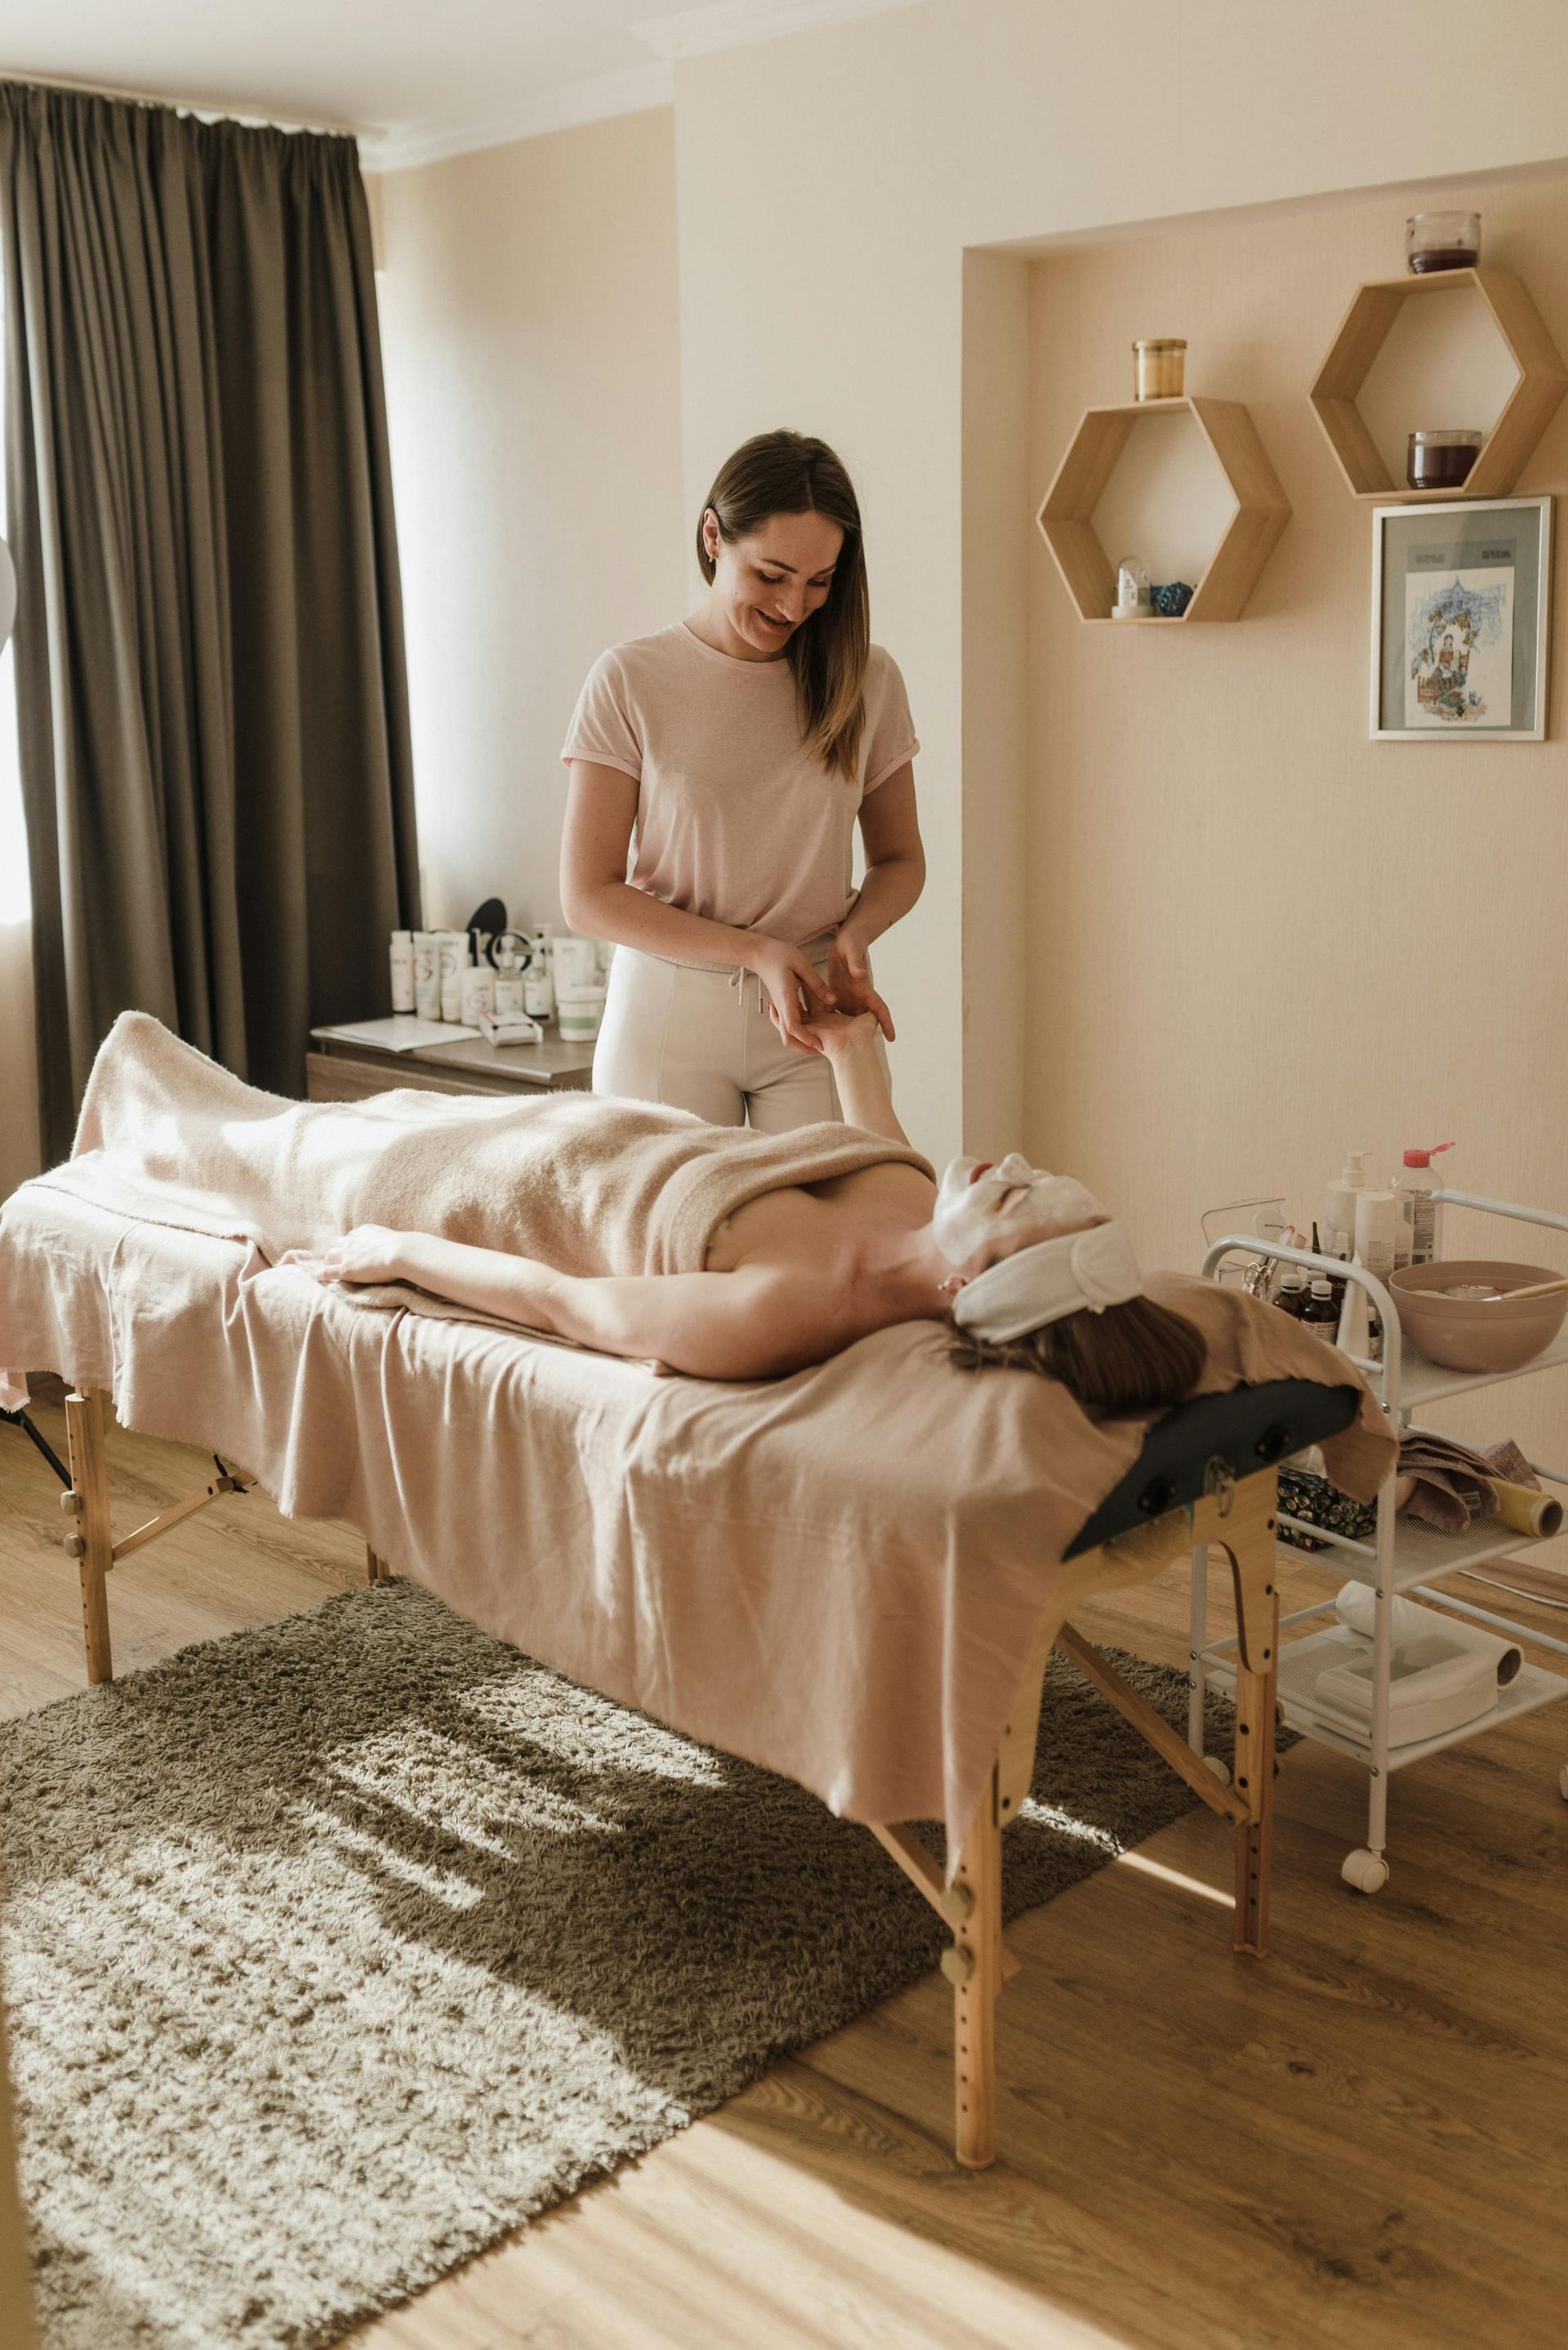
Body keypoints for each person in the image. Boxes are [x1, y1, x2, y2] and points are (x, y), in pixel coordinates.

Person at [317, 1005, 1206, 1414]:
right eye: (1032, 1171)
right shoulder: (918, 1207)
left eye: (1014, 1193)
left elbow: (565, 1305)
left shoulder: (784, 1309)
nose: (1009, 1161)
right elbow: (876, 1138)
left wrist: (398, 1252)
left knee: (242, 1138)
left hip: (484, 1186)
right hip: (575, 1121)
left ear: (975, 1281)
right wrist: (851, 1045)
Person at [559, 429, 925, 1131]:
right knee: (669, 1241)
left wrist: (856, 934)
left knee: (830, 1236)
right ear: (713, 537)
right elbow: (588, 896)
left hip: (814, 1008)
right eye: (772, 574)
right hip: (669, 1014)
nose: (794, 607)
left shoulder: (868, 681)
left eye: (820, 582)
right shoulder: (630, 679)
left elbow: (901, 860)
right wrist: (754, 950)